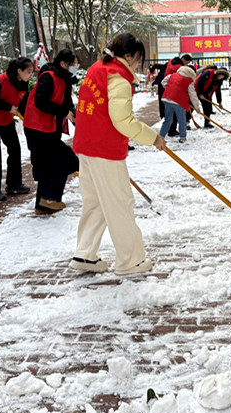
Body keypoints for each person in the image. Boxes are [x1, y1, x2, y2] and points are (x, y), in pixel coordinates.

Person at [70, 33, 167, 275]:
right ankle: (130, 261)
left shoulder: (97, 69)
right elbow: (123, 120)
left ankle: (85, 254)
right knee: (119, 204)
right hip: (105, 150)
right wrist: (152, 137)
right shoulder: (118, 78)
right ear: (128, 55)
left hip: (86, 146)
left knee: (97, 204)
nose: (138, 63)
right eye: (138, 58)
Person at [21, 49, 80, 214]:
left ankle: (43, 205)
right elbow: (41, 102)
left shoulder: (65, 79)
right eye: (73, 64)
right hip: (37, 128)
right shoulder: (49, 77)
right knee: (64, 159)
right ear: (63, 64)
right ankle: (49, 199)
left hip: (50, 127)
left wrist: (75, 117)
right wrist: (63, 112)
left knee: (49, 165)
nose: (75, 67)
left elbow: (67, 104)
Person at [0, 57, 34, 201]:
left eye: (32, 72)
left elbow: (22, 101)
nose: (31, 75)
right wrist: (8, 107)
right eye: (29, 72)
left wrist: (29, 116)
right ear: (19, 71)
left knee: (15, 149)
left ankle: (14, 184)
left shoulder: (23, 83)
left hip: (6, 121)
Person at [159, 66, 201, 143]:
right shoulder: (189, 81)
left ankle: (161, 136)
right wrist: (197, 107)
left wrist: (169, 88)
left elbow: (163, 82)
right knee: (182, 120)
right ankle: (182, 137)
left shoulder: (172, 75)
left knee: (168, 119)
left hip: (167, 99)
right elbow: (193, 95)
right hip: (179, 101)